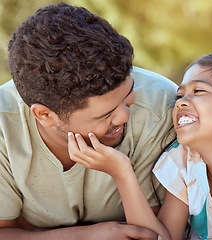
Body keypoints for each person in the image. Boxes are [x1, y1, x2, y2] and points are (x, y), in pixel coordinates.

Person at [69, 52, 212, 239]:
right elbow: (158, 238)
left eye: (198, 91)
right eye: (179, 96)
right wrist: (121, 172)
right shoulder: (183, 163)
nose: (181, 103)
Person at [0, 2, 177, 239]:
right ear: (44, 115)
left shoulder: (162, 108)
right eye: (105, 114)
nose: (124, 115)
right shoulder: (4, 125)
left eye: (128, 95)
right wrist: (86, 235)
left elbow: (150, 232)